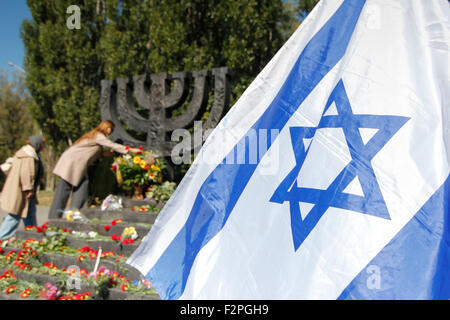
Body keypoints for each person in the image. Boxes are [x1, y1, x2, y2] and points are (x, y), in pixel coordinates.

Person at [48, 120, 141, 219]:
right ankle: (54, 217)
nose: (111, 131)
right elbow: (111, 145)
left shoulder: (94, 136)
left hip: (77, 165)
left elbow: (94, 151)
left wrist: (107, 154)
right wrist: (130, 150)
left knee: (83, 186)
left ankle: (76, 212)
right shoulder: (98, 135)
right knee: (63, 191)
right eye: (111, 128)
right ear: (106, 127)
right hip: (71, 164)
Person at [0, 135, 46, 240]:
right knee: (15, 215)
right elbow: (27, 173)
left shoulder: (31, 154)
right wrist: (28, 188)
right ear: (38, 144)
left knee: (29, 214)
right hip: (22, 191)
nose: (44, 147)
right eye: (43, 144)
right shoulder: (28, 156)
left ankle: (33, 237)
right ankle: (2, 237)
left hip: (25, 190)